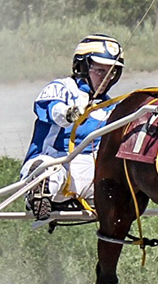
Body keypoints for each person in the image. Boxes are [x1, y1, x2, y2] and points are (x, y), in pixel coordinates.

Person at [22, 34, 124, 221]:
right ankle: (38, 191)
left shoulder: (110, 107)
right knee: (50, 169)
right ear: (82, 67)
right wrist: (69, 113)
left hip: (88, 175)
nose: (106, 79)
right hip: (54, 162)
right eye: (100, 71)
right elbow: (48, 108)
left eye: (111, 73)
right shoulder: (62, 88)